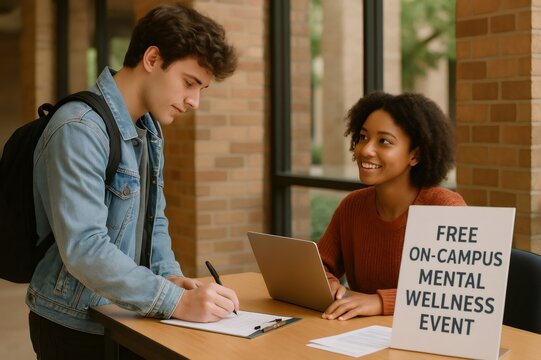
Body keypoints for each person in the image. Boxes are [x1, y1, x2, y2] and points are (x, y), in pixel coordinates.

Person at [26, 4, 239, 359]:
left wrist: (170, 277)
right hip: (73, 323)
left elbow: (154, 220)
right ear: (152, 59)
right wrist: (177, 302)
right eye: (189, 83)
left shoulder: (149, 128)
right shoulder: (80, 128)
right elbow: (85, 248)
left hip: (124, 314)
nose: (194, 101)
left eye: (202, 89)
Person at [318, 91, 466, 321]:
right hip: (358, 337)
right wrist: (328, 284)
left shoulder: (445, 208)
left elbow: (456, 290)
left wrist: (380, 302)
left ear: (415, 155)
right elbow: (320, 264)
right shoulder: (353, 206)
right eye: (363, 137)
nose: (365, 150)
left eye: (384, 141)